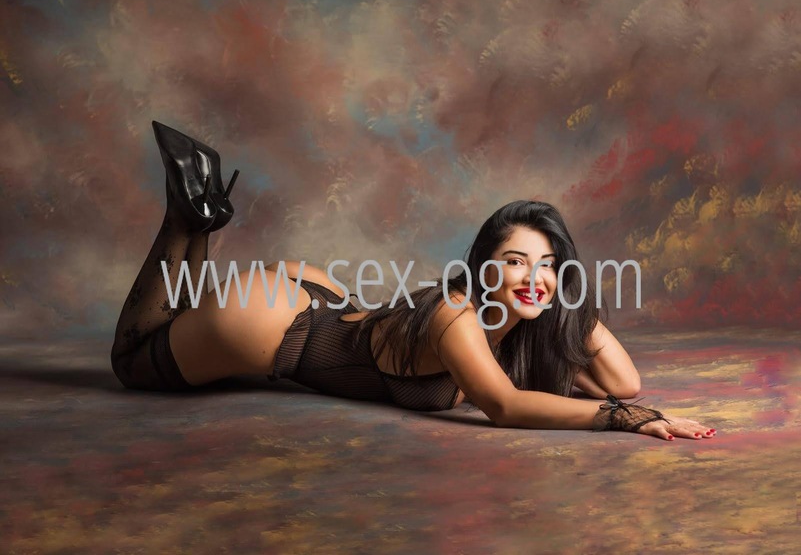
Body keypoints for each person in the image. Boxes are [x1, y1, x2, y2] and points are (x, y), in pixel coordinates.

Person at [110, 121, 718, 442]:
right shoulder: (457, 314)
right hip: (279, 327)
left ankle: (202, 215)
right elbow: (504, 407)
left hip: (319, 297)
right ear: (483, 267)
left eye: (548, 265)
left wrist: (564, 298)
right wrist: (622, 420)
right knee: (134, 360)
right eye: (516, 262)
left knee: (174, 321)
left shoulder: (514, 323)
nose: (535, 278)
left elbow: (621, 380)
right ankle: (184, 219)